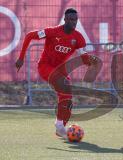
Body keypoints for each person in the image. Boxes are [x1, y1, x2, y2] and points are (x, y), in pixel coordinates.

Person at [15, 8, 100, 139]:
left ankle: (60, 126)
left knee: (68, 98)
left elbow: (84, 58)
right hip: (45, 67)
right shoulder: (52, 32)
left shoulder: (78, 38)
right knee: (64, 87)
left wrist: (90, 62)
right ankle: (60, 127)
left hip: (60, 70)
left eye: (75, 19)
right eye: (70, 19)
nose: (73, 22)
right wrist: (21, 58)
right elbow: (29, 36)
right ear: (65, 19)